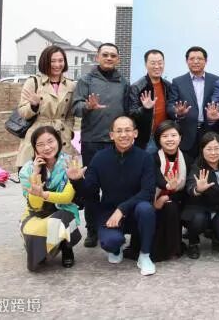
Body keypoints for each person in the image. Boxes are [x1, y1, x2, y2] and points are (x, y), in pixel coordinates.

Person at [67, 116, 157, 276]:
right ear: (111, 135)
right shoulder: (100, 158)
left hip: (135, 211)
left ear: (135, 133)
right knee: (110, 242)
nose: (124, 135)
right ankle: (117, 248)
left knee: (146, 209)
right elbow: (90, 191)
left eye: (128, 130)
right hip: (109, 212)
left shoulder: (145, 158)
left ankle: (144, 255)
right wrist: (77, 181)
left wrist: (122, 209)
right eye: (119, 131)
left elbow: (148, 192)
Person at [72, 42, 130, 248]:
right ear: (97, 57)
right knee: (91, 189)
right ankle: (92, 230)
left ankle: (115, 225)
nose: (109, 58)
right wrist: (88, 106)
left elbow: (128, 110)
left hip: (118, 143)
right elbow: (75, 107)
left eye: (113, 55)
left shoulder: (123, 82)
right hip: (93, 142)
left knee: (117, 187)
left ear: (118, 59)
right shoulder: (86, 80)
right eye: (105, 55)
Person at [19, 126, 81, 271]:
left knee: (61, 218)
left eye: (50, 141)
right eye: (40, 144)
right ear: (34, 148)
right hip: (37, 213)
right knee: (31, 232)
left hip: (63, 210)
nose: (47, 148)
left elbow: (67, 198)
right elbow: (34, 206)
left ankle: (66, 247)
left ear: (58, 141)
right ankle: (45, 249)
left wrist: (43, 194)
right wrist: (35, 173)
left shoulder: (70, 163)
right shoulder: (27, 170)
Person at [16, 46, 77, 168]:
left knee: (63, 176)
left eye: (61, 60)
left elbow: (71, 115)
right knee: (36, 175)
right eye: (53, 61)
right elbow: (22, 112)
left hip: (62, 138)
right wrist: (34, 106)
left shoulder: (71, 85)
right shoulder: (33, 82)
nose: (57, 65)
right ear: (45, 62)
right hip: (37, 136)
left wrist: (68, 130)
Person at [181, 132, 219, 259]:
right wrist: (198, 189)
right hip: (199, 208)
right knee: (198, 220)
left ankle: (216, 237)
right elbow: (190, 186)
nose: (213, 153)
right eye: (209, 149)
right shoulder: (197, 165)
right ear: (202, 150)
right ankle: (193, 242)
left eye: (217, 148)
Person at [167, 46, 219, 160]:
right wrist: (177, 112)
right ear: (187, 61)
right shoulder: (178, 82)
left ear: (206, 61)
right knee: (187, 166)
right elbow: (170, 105)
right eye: (192, 59)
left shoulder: (216, 81)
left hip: (209, 131)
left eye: (199, 58)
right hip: (186, 133)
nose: (196, 61)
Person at [146, 120, 189, 262]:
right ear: (158, 139)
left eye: (173, 135)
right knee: (166, 206)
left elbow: (187, 186)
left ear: (180, 138)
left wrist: (168, 196)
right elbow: (155, 179)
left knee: (171, 205)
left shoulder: (186, 159)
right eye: (164, 136)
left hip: (178, 199)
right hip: (154, 198)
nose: (170, 139)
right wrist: (166, 187)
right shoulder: (152, 158)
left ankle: (173, 248)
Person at [128, 49, 173, 153]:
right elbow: (131, 113)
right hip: (147, 138)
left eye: (160, 63)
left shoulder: (168, 85)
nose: (157, 66)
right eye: (153, 63)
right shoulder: (137, 87)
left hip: (165, 134)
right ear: (146, 64)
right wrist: (145, 108)